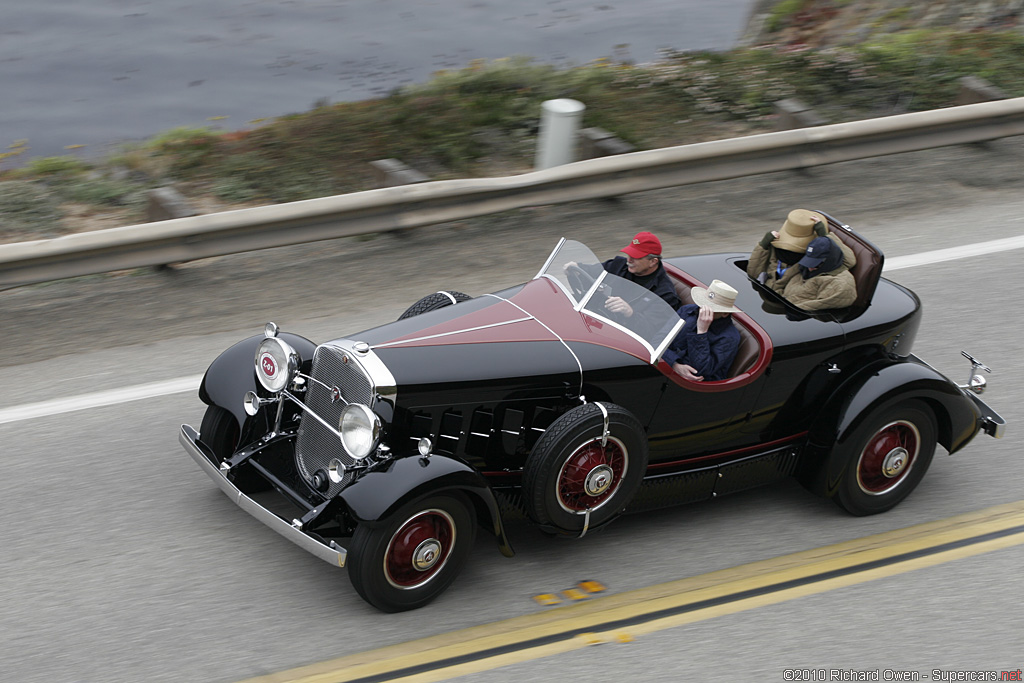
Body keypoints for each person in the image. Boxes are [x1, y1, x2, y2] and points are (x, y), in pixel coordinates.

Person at [573, 231, 682, 317]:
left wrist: (630, 313)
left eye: (635, 257)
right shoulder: (619, 264)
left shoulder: (665, 295)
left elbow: (651, 329)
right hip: (594, 317)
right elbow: (592, 271)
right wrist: (577, 268)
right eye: (629, 254)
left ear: (653, 261)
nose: (629, 260)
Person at [747, 209, 855, 293]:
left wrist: (825, 239)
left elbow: (848, 261)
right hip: (764, 293)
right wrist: (763, 246)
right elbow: (753, 273)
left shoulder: (809, 261)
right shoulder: (773, 249)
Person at [663, 279, 741, 382]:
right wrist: (674, 363)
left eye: (710, 308)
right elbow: (659, 340)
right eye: (702, 304)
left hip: (695, 384)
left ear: (725, 313)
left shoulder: (729, 337)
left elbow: (701, 370)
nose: (702, 310)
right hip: (665, 365)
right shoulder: (687, 311)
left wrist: (701, 332)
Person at [776, 236, 857, 310]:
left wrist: (784, 309)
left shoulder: (839, 285)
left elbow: (814, 308)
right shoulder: (805, 268)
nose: (810, 268)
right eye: (808, 262)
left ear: (828, 261)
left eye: (815, 264)